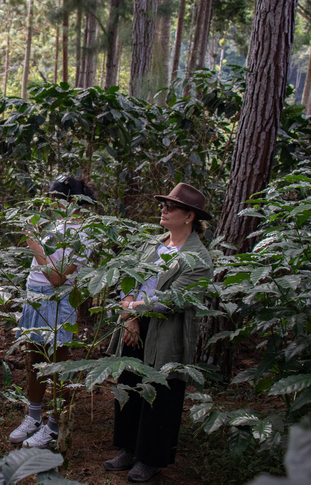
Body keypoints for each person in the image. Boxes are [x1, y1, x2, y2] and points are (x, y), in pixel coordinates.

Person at [105, 183, 213, 482]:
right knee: (128, 383)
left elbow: (174, 301)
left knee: (160, 392)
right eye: (163, 205)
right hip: (134, 321)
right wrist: (128, 316)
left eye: (171, 207)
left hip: (166, 331)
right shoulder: (151, 244)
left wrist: (132, 309)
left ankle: (150, 458)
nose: (163, 211)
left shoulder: (199, 257)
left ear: (189, 216)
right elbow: (128, 279)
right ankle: (128, 448)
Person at [8, 175, 95, 449]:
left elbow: (58, 277)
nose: (49, 203)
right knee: (35, 359)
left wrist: (34, 245)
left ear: (72, 201)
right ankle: (34, 416)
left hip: (57, 299)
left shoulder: (83, 234)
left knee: (57, 365)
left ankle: (55, 426)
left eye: (55, 198)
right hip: (36, 297)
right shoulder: (57, 226)